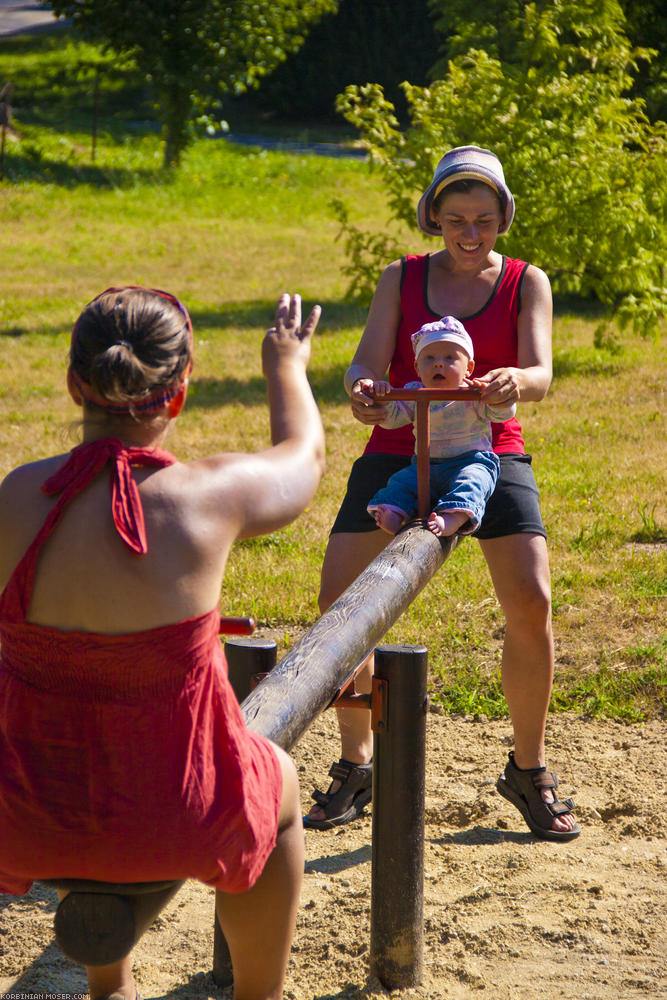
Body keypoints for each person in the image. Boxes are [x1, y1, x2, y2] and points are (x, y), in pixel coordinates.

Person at [0, 287, 326, 1000]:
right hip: (176, 822)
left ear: (72, 384)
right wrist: (286, 366)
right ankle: (257, 994)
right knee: (277, 778)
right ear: (178, 396)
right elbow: (303, 457)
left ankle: (107, 985)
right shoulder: (209, 497)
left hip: (25, 821)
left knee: (81, 734)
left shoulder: (16, 495)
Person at [304, 144, 580, 843]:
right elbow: (366, 361)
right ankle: (354, 763)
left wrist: (515, 381)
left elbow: (541, 370)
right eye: (454, 217)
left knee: (531, 599)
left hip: (488, 447)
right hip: (401, 443)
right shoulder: (401, 277)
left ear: (502, 219)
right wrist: (362, 391)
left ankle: (528, 767)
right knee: (341, 604)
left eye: (483, 218)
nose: (469, 231)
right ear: (432, 217)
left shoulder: (526, 281)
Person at [365, 315, 515, 537]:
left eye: (449, 357)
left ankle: (454, 516)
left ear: (469, 367)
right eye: (429, 358)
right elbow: (392, 419)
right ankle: (397, 513)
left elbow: (500, 414)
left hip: (470, 460)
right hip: (425, 464)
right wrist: (382, 399)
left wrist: (499, 397)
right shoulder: (414, 392)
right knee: (401, 482)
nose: (438, 363)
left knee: (473, 481)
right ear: (417, 366)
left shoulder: (474, 393)